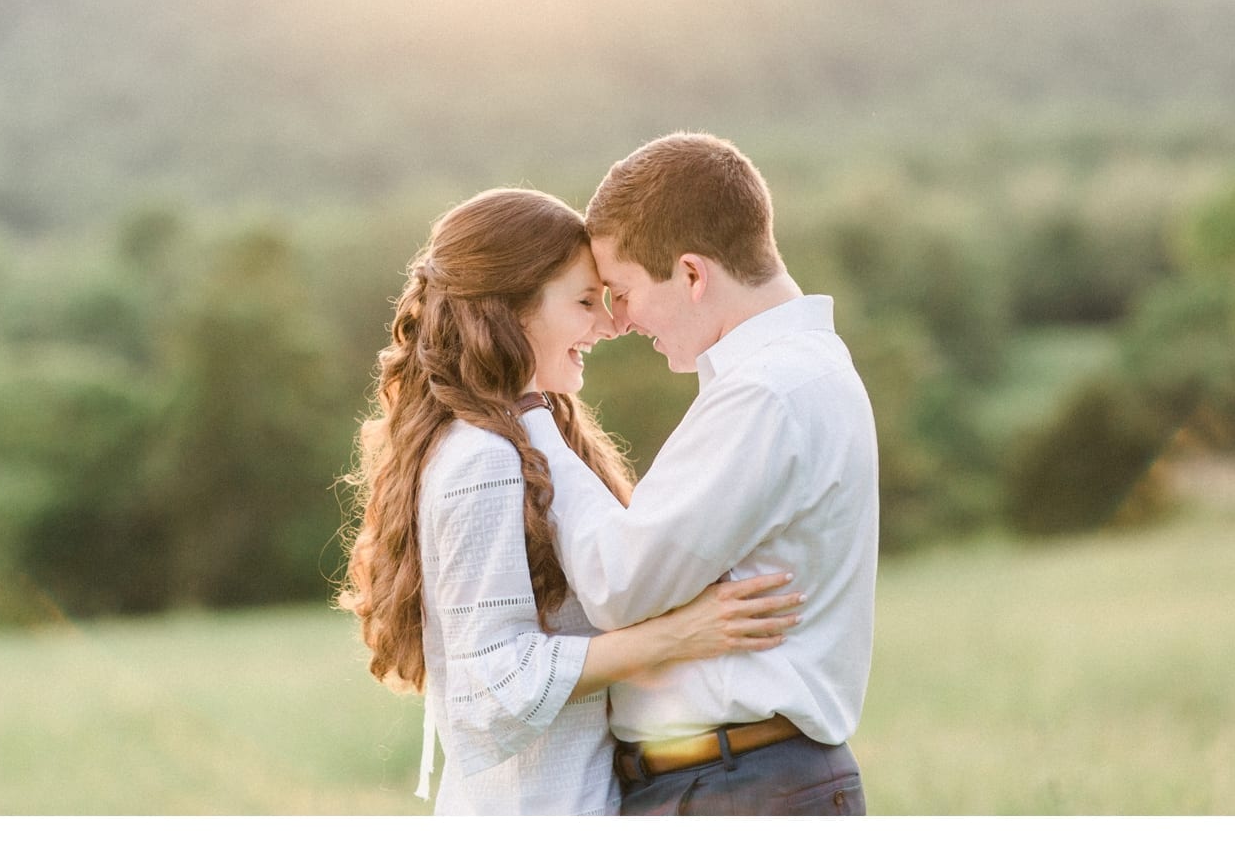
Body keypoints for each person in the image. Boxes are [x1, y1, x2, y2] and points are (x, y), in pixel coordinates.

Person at [338, 187, 804, 815]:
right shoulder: (483, 458)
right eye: (586, 302)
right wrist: (678, 636)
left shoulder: (518, 440)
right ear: (510, 311)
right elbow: (490, 689)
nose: (610, 324)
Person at [520, 132, 879, 815]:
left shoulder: (765, 393)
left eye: (621, 292)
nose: (618, 321)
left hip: (739, 786)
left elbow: (618, 582)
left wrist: (531, 410)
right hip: (740, 780)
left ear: (691, 274)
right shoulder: (800, 372)